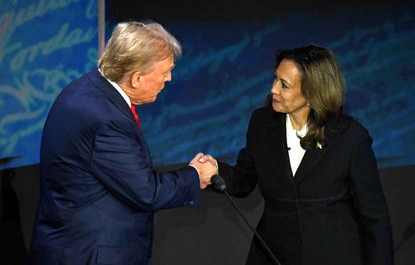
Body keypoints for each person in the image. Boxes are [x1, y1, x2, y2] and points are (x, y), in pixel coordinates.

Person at [28, 21, 217, 265]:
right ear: (136, 78)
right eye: (165, 72)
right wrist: (195, 175)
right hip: (91, 253)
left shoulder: (85, 89)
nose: (168, 79)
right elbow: (146, 192)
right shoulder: (106, 119)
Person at [202, 45, 393, 265]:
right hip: (273, 255)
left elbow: (375, 217)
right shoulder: (262, 123)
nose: (273, 89)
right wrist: (216, 170)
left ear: (312, 93)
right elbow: (244, 180)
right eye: (275, 79)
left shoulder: (350, 138)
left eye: (284, 85)